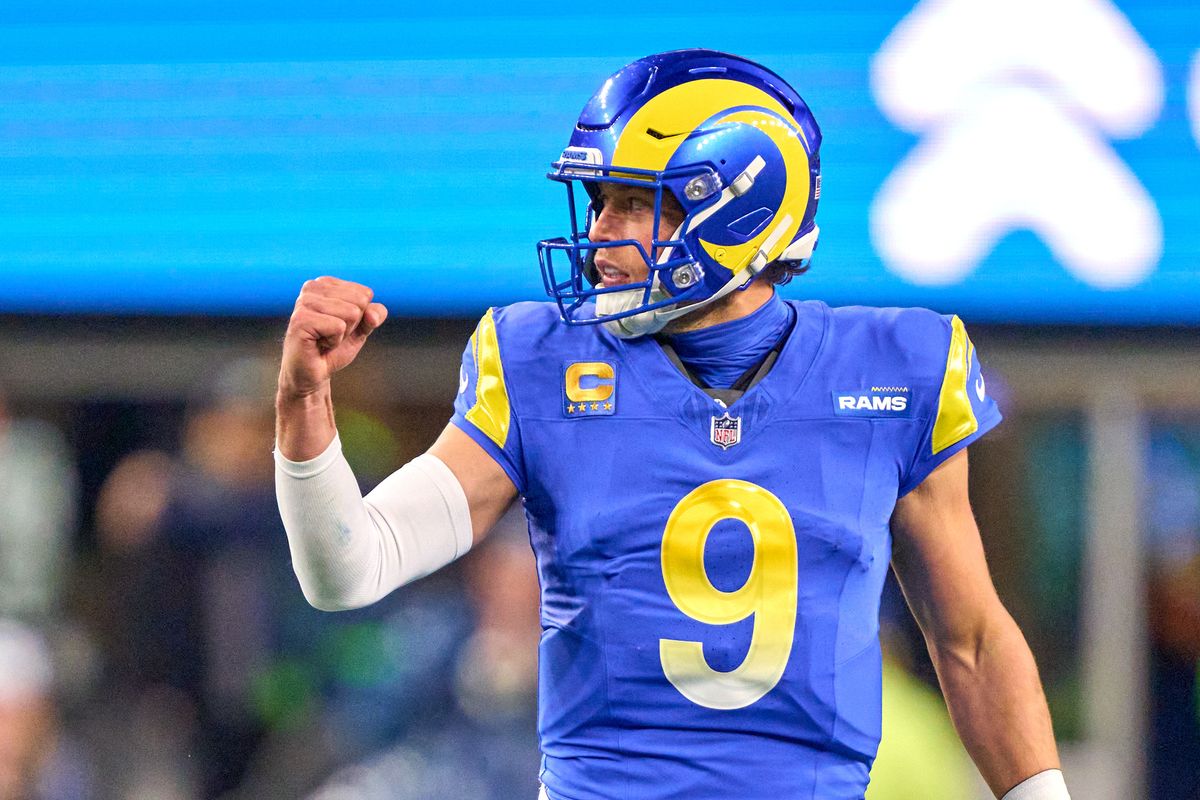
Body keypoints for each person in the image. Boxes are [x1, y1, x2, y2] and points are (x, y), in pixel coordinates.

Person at [274, 49, 1068, 800]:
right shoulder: (538, 360)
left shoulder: (896, 369)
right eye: (599, 201)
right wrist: (303, 404)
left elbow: (970, 642)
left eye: (632, 202)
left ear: (738, 207)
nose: (597, 235)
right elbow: (352, 567)